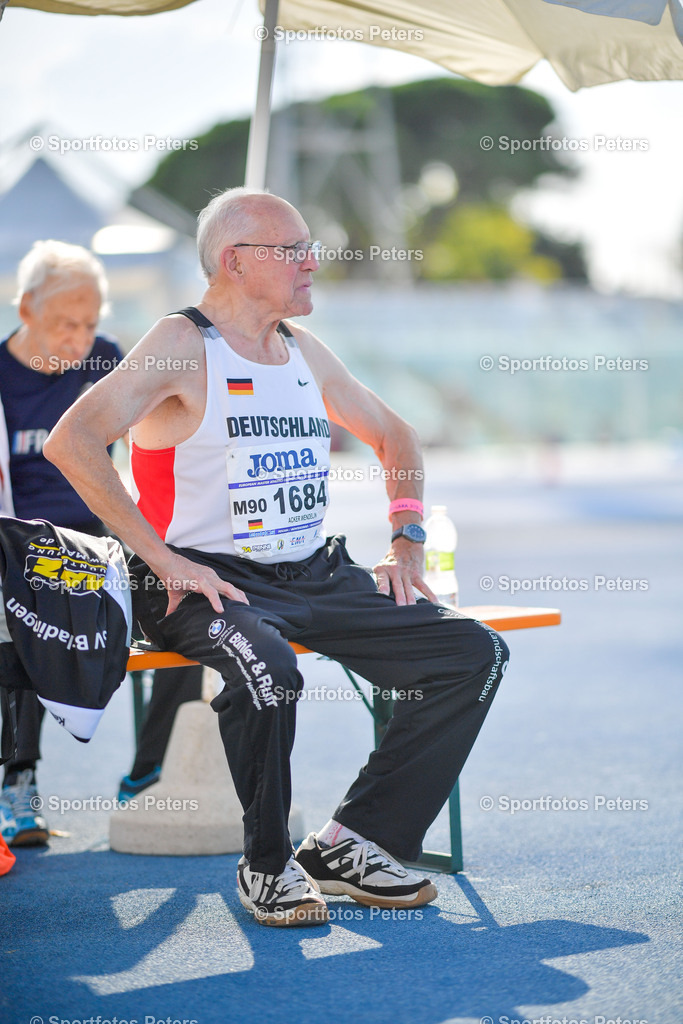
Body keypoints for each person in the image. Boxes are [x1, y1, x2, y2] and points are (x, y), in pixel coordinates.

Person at [45, 188, 509, 927]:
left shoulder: (299, 349)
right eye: (293, 249)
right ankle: (265, 865)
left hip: (312, 573)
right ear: (235, 261)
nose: (311, 262)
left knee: (471, 652)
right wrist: (161, 560)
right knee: (270, 673)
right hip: (203, 581)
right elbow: (70, 441)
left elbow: (397, 436)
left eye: (307, 247)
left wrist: (405, 538)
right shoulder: (180, 342)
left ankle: (353, 843)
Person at [0, 240, 201, 846]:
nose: (80, 338)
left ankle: (150, 773)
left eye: (89, 323)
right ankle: (19, 780)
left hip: (100, 542)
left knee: (190, 603)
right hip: (19, 547)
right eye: (66, 323)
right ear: (26, 309)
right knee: (23, 614)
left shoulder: (107, 358)